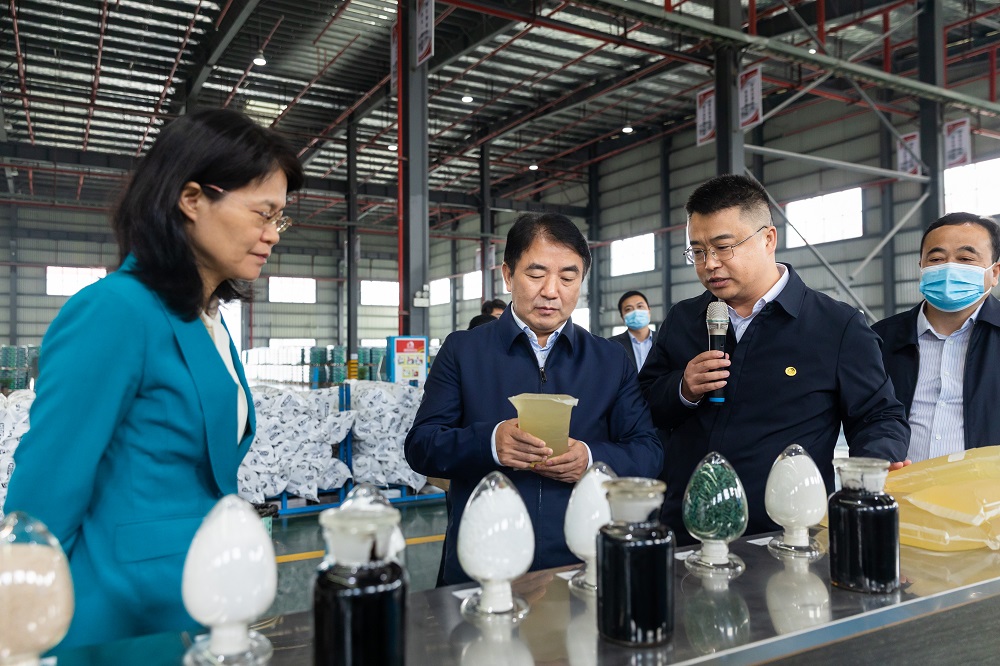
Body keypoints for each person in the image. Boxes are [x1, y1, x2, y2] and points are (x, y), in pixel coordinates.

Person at [5, 109, 304, 648]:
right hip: (117, 613)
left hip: (192, 601)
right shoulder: (114, 311)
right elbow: (47, 485)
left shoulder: (205, 321)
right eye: (263, 213)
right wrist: (22, 626)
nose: (271, 235)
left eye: (279, 220)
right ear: (191, 199)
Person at [638, 174, 909, 541]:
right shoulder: (684, 319)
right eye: (697, 251)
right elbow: (644, 405)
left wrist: (874, 463)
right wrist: (683, 389)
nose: (709, 264)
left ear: (768, 239)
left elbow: (879, 415)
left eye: (723, 247)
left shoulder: (836, 326)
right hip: (685, 528)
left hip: (785, 535)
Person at [406, 212, 663, 585]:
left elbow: (648, 451)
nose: (551, 291)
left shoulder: (609, 359)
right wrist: (490, 443)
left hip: (583, 562)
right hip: (483, 558)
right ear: (508, 275)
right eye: (536, 274)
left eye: (568, 277)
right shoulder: (463, 351)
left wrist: (591, 459)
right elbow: (421, 446)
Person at [873, 212, 1000, 463]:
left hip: (987, 486)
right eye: (936, 259)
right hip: (899, 484)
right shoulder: (879, 339)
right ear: (921, 267)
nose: (949, 267)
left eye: (965, 258)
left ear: (994, 273)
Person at [609, 290, 656, 370]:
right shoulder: (611, 345)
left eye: (640, 306)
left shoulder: (665, 341)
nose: (636, 312)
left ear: (649, 310)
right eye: (628, 309)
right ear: (622, 317)